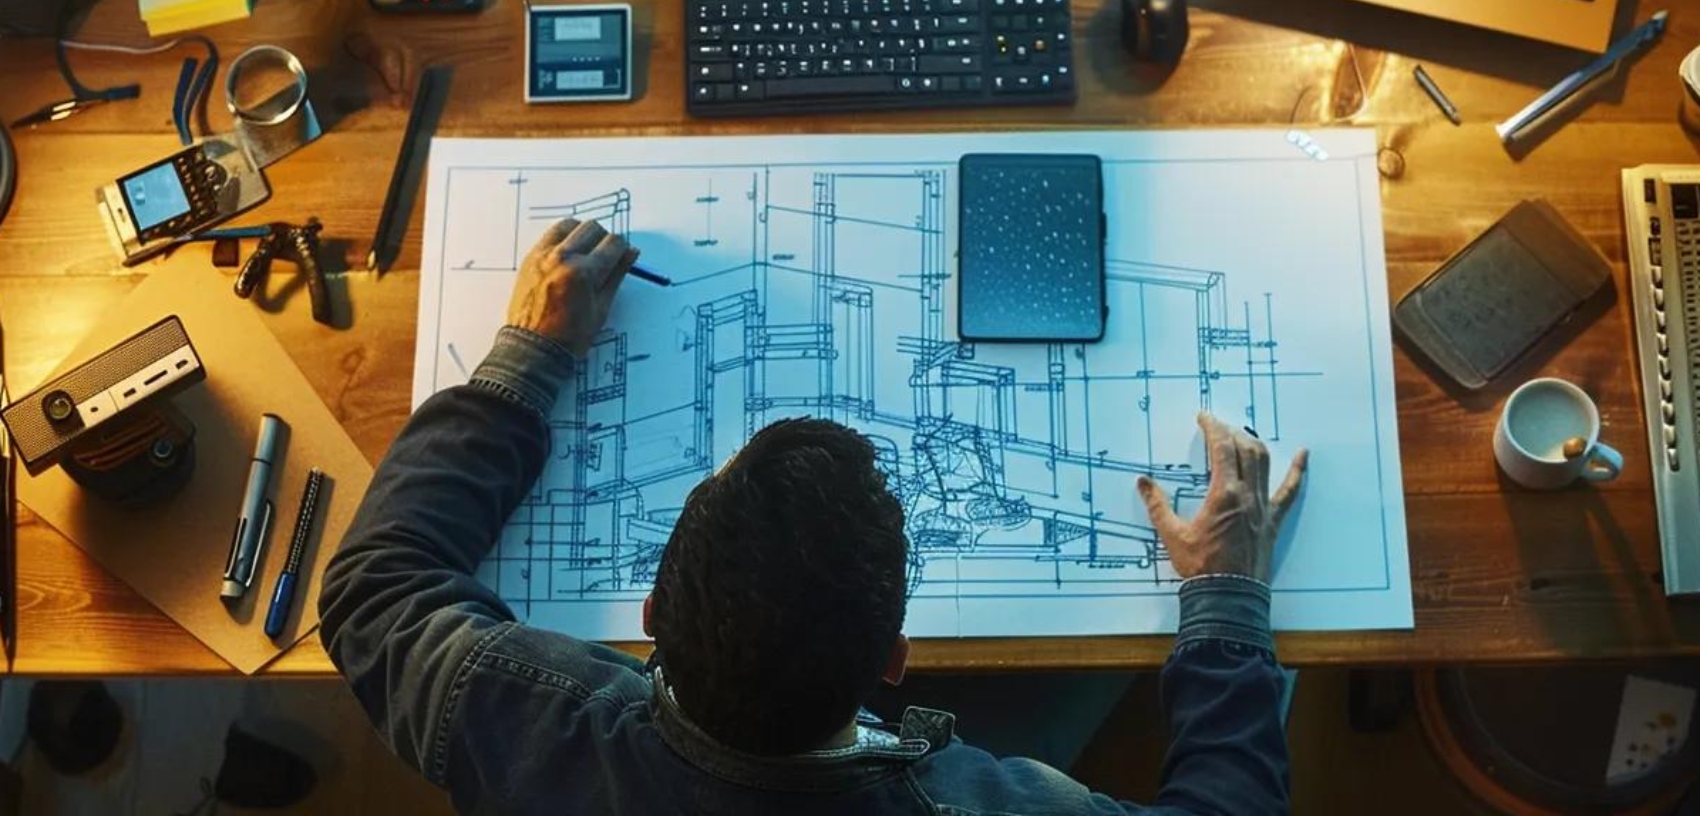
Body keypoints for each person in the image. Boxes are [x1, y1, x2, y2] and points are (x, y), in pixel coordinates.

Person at [321, 218, 1309, 815]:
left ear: (655, 613)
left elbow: (374, 590)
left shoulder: (532, 724)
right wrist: (1222, 600)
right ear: (892, 661)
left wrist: (526, 356)